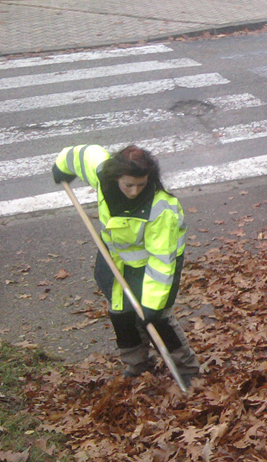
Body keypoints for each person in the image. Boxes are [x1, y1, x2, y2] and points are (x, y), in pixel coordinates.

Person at [53, 144, 200, 384]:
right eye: (128, 185)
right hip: (115, 259)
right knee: (121, 313)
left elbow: (161, 261)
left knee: (157, 319)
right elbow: (83, 155)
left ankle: (187, 371)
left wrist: (152, 305)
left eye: (140, 185)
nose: (134, 191)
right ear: (116, 177)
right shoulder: (105, 177)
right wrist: (61, 167)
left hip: (155, 266)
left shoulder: (160, 209)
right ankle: (138, 364)